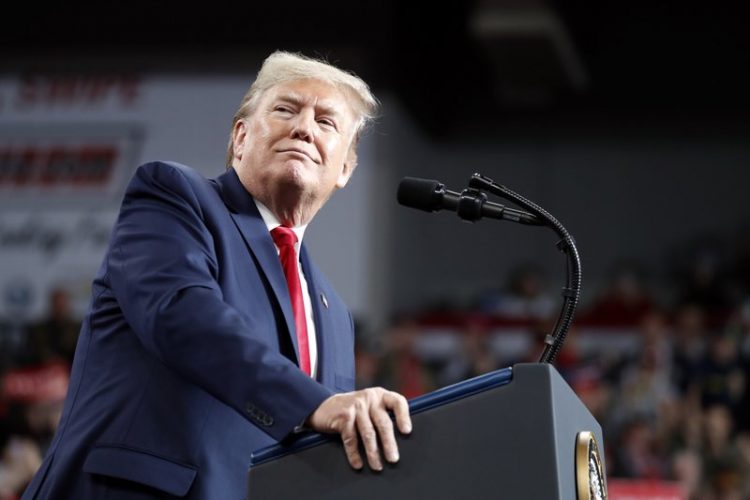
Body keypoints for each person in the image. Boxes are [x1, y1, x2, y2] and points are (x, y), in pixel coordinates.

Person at [21, 51, 411, 499]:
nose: (304, 127)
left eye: (327, 122)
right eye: (286, 109)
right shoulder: (175, 198)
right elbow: (184, 317)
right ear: (241, 137)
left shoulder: (335, 316)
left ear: (345, 168)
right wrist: (314, 403)